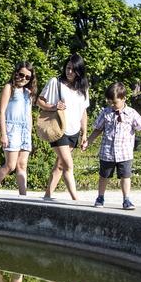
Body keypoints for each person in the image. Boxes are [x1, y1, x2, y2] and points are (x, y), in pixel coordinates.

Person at [83, 82, 141, 210]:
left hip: (124, 153)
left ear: (124, 98)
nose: (112, 105)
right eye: (110, 102)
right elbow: (98, 129)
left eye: (115, 102)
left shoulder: (131, 113)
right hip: (107, 152)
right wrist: (89, 141)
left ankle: (126, 200)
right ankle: (100, 197)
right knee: (104, 176)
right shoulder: (106, 112)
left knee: (125, 176)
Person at [38, 54, 90, 201]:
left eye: (73, 70)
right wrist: (53, 106)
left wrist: (84, 133)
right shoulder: (56, 82)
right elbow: (39, 101)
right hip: (58, 129)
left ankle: (47, 196)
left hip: (74, 131)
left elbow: (83, 112)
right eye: (68, 68)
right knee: (68, 164)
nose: (69, 72)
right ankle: (76, 200)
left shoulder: (83, 88)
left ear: (79, 71)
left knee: (60, 165)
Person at [0, 62, 36, 194]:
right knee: (10, 165)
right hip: (12, 128)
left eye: (28, 77)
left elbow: (29, 114)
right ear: (16, 73)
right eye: (22, 75)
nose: (24, 79)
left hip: (25, 130)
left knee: (22, 165)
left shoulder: (28, 92)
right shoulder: (9, 88)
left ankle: (23, 197)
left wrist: (30, 131)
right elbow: (1, 112)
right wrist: (3, 134)